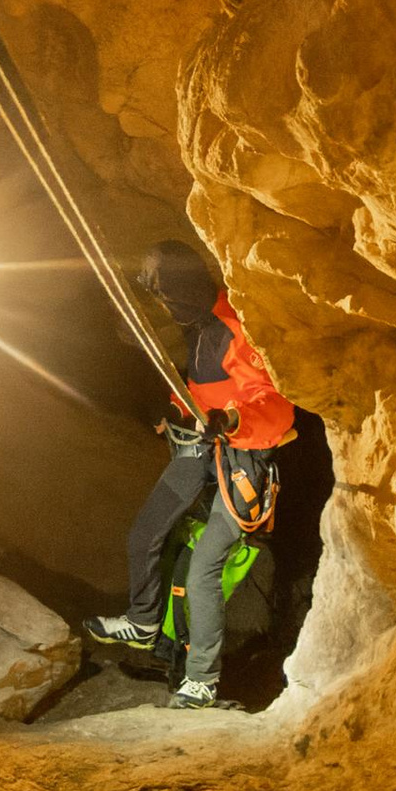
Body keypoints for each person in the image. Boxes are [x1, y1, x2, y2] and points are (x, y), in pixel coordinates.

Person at [92, 242, 294, 705]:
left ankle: (201, 679)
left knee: (203, 569)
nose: (166, 308)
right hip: (204, 445)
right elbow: (202, 387)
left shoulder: (235, 328)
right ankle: (143, 622)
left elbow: (276, 407)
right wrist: (179, 413)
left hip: (244, 457)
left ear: (188, 290)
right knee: (144, 533)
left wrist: (233, 421)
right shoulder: (199, 329)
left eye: (169, 298)